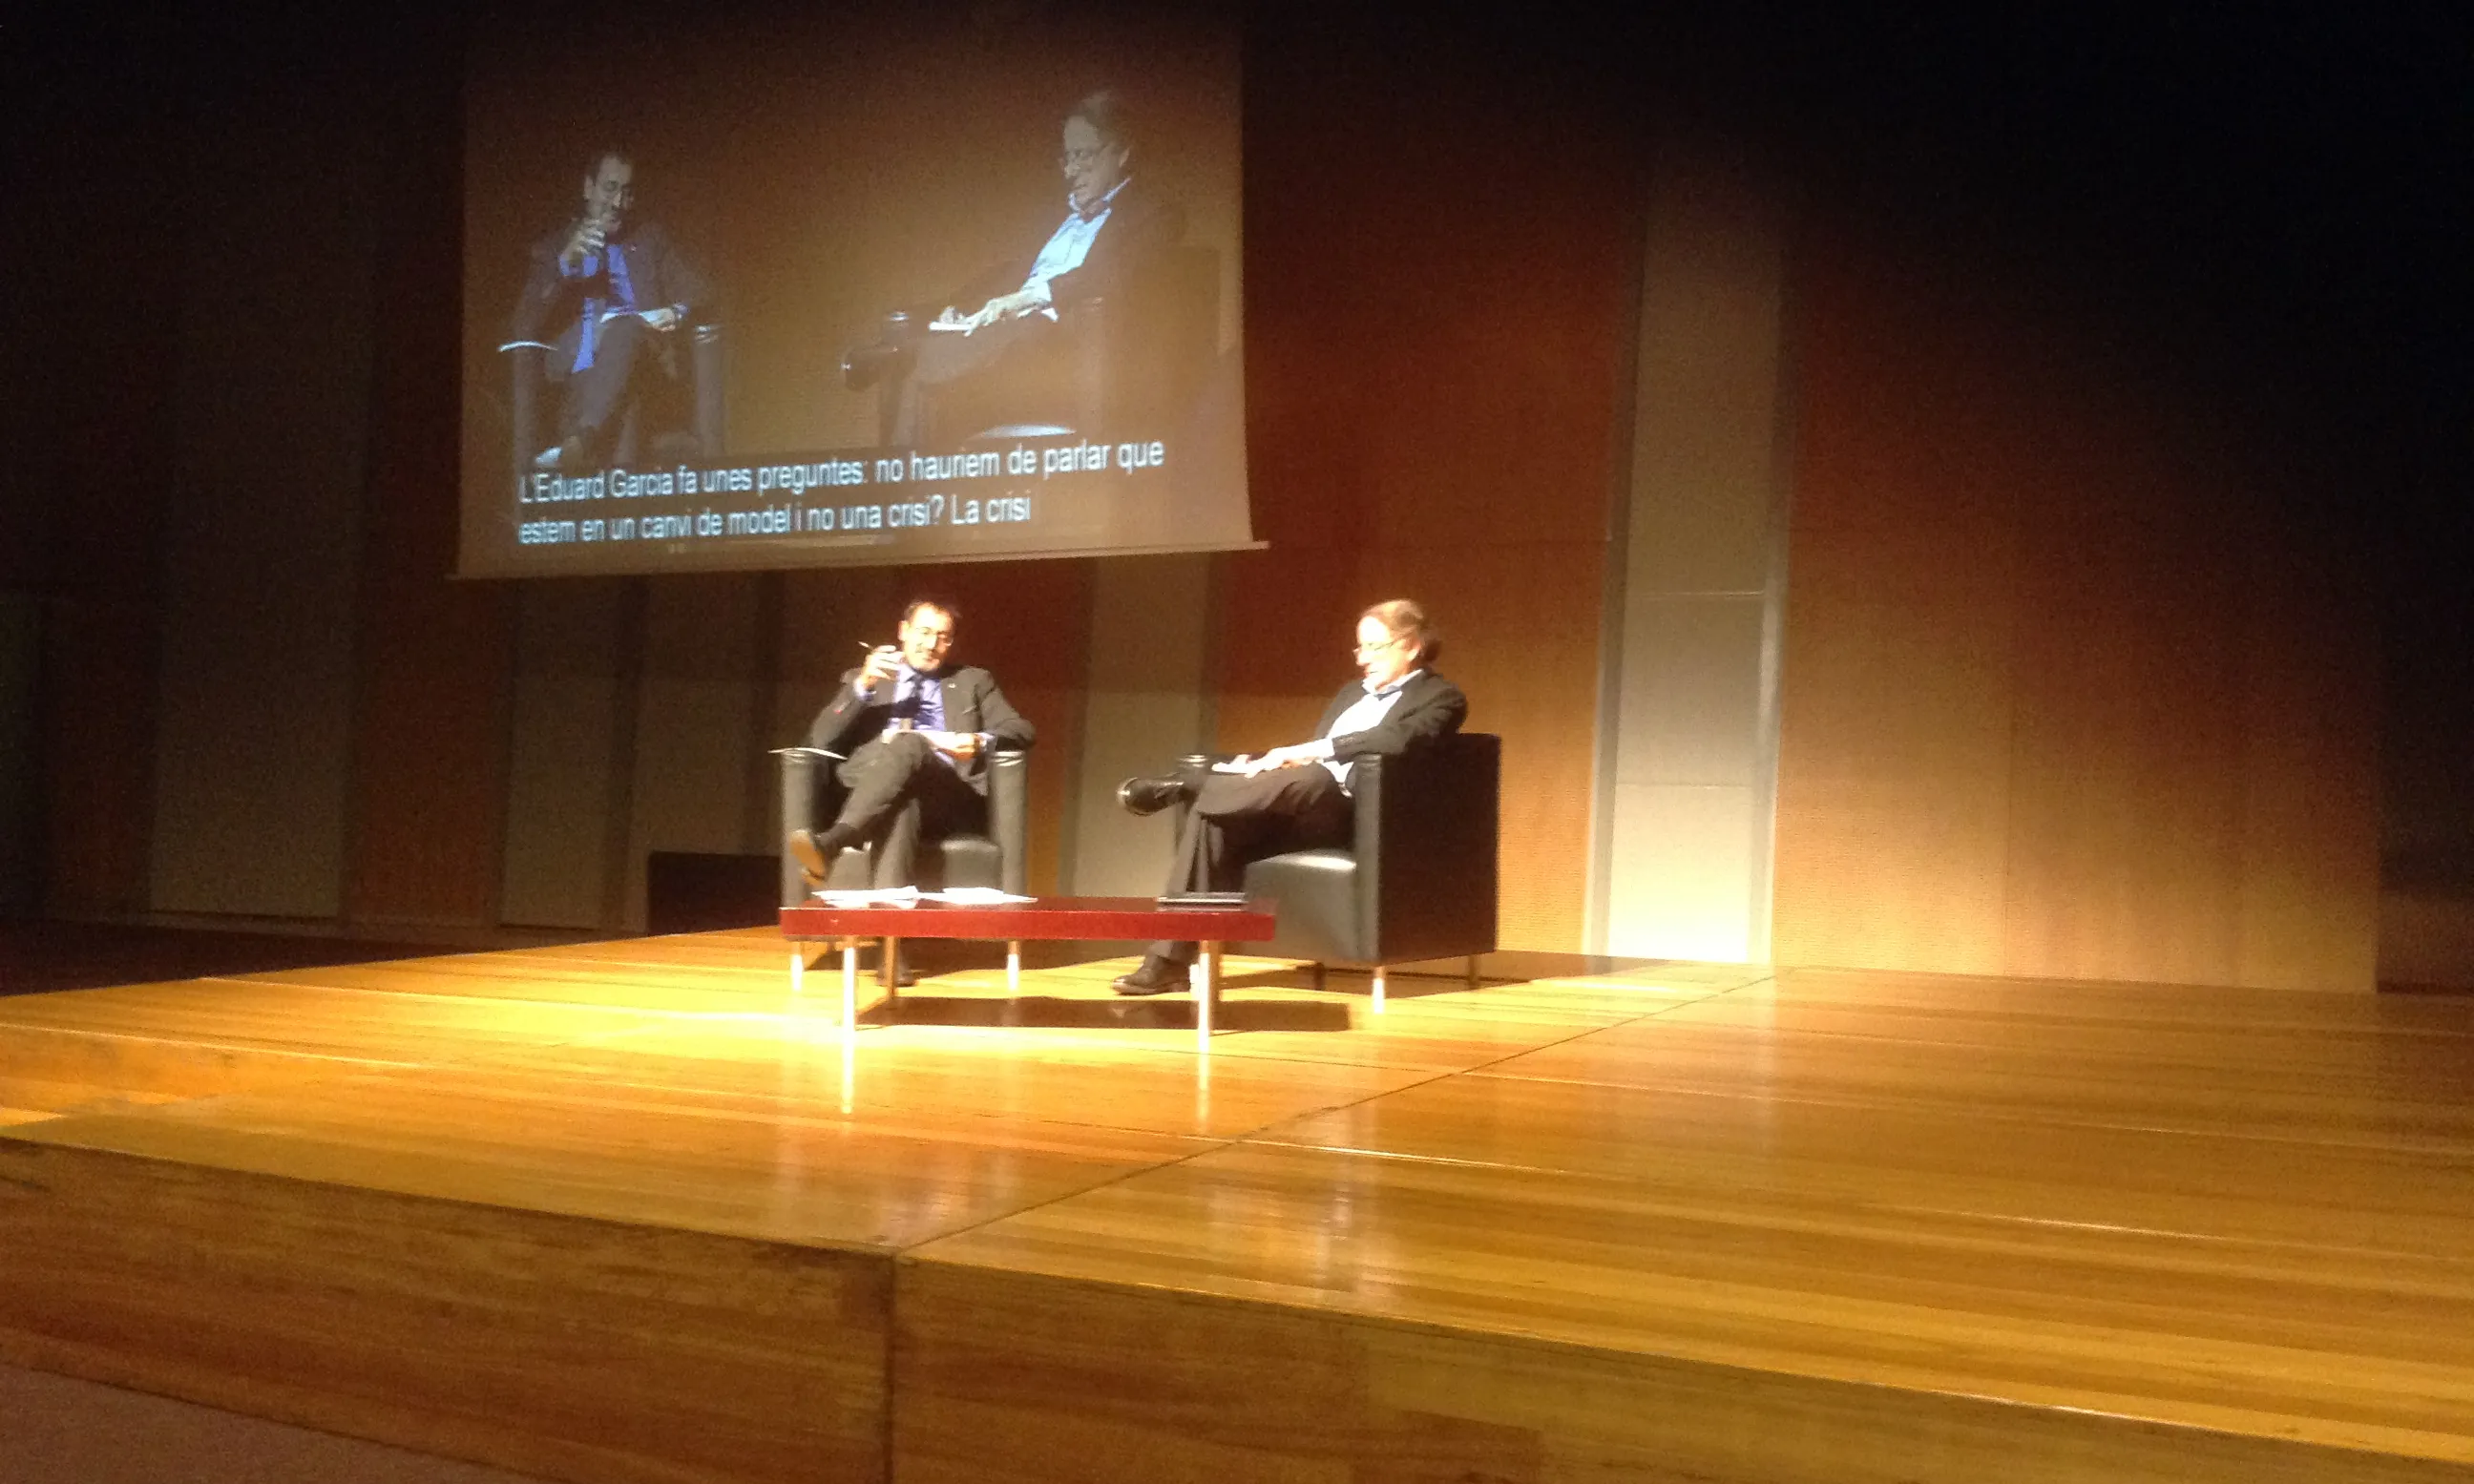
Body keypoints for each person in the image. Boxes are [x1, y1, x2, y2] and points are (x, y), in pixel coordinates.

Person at [1109, 600, 1466, 995]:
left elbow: (1396, 739)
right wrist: (1266, 764)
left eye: (1374, 647)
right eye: (1359, 648)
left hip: (1358, 817)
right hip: (1302, 808)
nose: (1363, 659)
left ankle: (1188, 785)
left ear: (1412, 646)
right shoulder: (1352, 694)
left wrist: (1309, 752)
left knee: (1311, 774)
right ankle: (1167, 963)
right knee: (1213, 820)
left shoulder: (1442, 698)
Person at [863, 90, 1187, 444]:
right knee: (928, 346)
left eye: (1084, 155)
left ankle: (896, 479)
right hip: (1010, 329)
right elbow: (1006, 273)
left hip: (1060, 337)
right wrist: (955, 307)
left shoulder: (1155, 214)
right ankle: (896, 369)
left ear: (1122, 152)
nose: (1072, 170)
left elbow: (1112, 274)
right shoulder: (1052, 217)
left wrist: (1028, 299)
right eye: (1067, 158)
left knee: (918, 363)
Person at [787, 598, 1037, 920]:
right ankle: (892, 948)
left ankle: (837, 840)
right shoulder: (865, 678)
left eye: (943, 636)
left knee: (910, 752)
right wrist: (863, 685)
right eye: (924, 632)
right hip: (872, 785)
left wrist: (978, 740)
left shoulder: (973, 680)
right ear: (903, 632)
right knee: (903, 797)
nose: (932, 644)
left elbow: (1021, 729)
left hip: (944, 793)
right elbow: (819, 739)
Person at [506, 149, 711, 471]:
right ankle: (583, 441)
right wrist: (564, 265)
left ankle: (580, 442)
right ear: (588, 189)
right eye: (609, 188)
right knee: (606, 335)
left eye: (626, 193)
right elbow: (524, 320)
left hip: (642, 364)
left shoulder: (649, 239)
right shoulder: (555, 246)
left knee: (625, 326)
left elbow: (696, 290)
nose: (617, 203)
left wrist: (677, 311)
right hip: (573, 370)